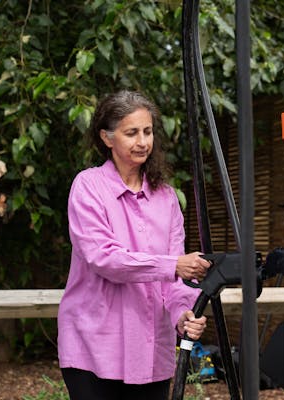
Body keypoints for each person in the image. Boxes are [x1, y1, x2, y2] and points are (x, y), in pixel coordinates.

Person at [57, 90, 211, 400]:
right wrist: (171, 265)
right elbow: (103, 258)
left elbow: (175, 282)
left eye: (148, 131)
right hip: (93, 346)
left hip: (151, 349)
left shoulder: (166, 197)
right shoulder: (88, 186)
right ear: (107, 137)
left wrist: (183, 314)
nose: (142, 141)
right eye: (131, 133)